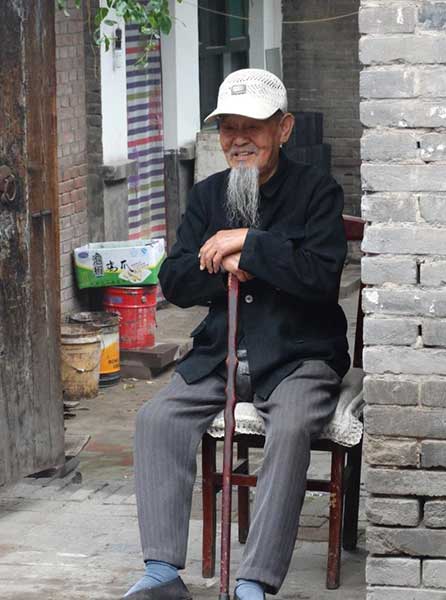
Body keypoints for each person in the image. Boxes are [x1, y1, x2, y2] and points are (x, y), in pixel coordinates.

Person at [123, 68, 350, 600]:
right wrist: (221, 261)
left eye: (254, 125)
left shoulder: (318, 192)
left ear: (285, 128)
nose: (239, 138)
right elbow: (175, 281)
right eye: (228, 126)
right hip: (221, 354)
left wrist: (251, 243)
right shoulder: (207, 196)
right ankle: (161, 571)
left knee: (291, 428)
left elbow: (321, 279)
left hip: (299, 355)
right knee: (155, 419)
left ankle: (253, 581)